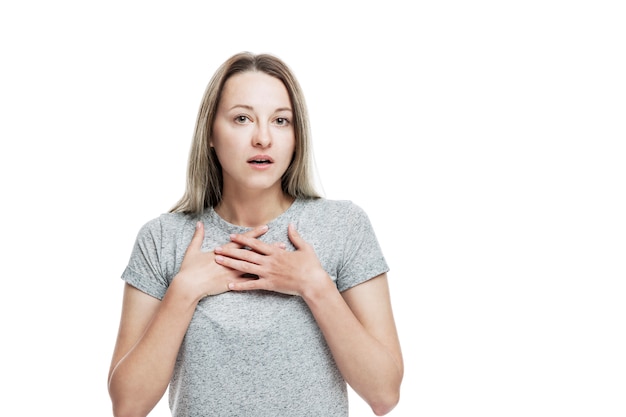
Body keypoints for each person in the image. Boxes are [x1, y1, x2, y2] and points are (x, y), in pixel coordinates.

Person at [108, 51, 403, 417]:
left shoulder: (344, 226)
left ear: (297, 136)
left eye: (281, 121)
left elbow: (384, 394)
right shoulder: (162, 238)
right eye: (242, 118)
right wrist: (185, 291)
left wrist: (314, 285)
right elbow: (127, 406)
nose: (263, 138)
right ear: (211, 134)